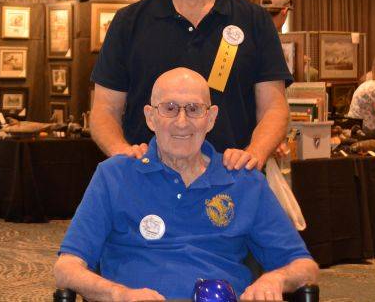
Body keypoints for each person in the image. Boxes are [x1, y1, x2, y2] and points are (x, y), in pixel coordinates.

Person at [54, 68, 318, 301]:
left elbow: (305, 267)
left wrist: (275, 280)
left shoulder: (244, 180)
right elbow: (66, 267)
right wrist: (118, 294)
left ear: (211, 117)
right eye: (169, 108)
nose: (182, 122)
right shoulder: (114, 176)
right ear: (150, 116)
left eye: (194, 109)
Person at [91, 0, 292, 171]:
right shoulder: (128, 23)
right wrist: (121, 153)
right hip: (147, 180)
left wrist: (254, 154)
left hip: (232, 182)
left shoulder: (254, 21)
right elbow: (104, 110)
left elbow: (274, 108)